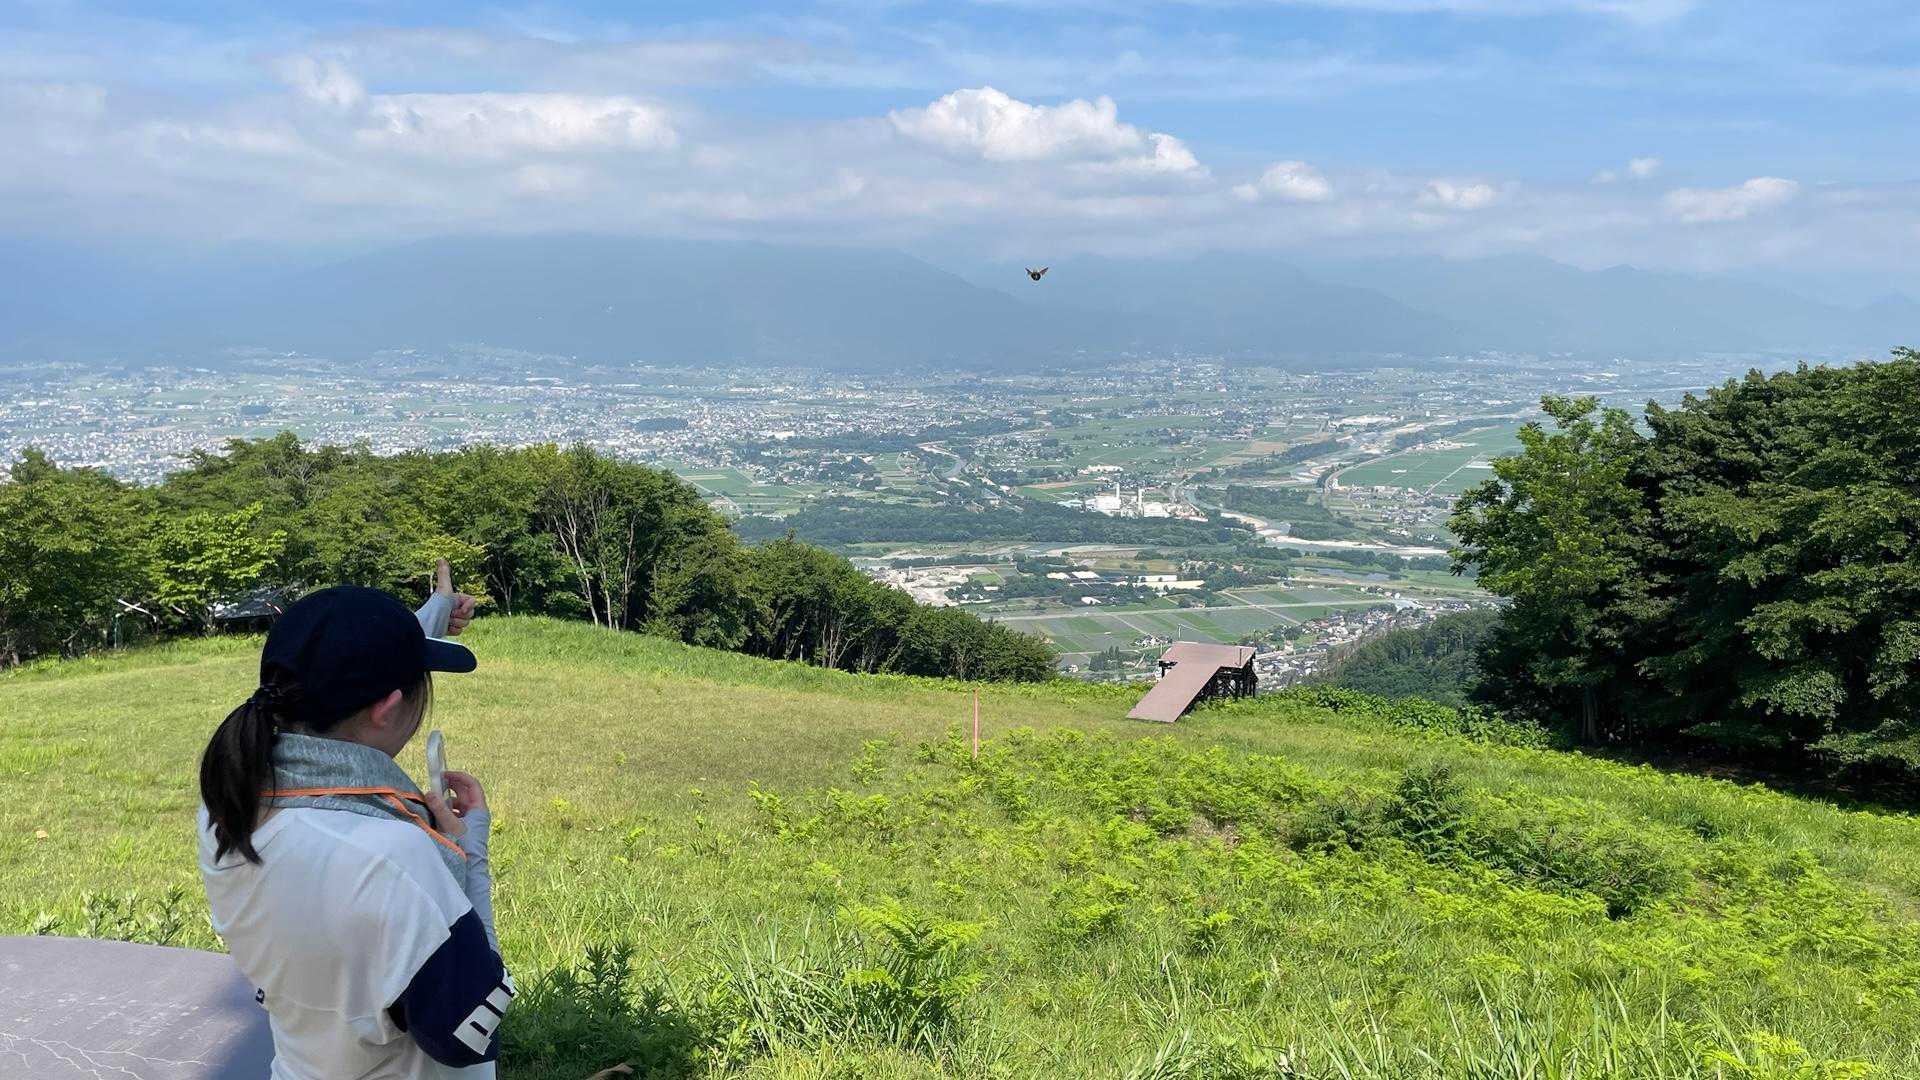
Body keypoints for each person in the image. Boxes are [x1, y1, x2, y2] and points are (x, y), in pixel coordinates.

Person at [197, 562, 511, 1079]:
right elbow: (470, 1029)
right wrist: (468, 855)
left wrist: (434, 612)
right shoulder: (395, 858)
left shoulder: (226, 806)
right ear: (387, 708)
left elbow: (345, 663)